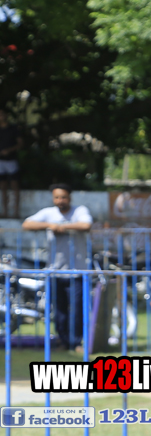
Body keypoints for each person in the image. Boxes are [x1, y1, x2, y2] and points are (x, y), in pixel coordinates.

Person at [23, 184, 93, 351]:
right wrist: (50, 225)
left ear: (70, 198)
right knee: (59, 310)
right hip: (55, 270)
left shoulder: (79, 211)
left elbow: (86, 225)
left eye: (63, 197)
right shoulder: (49, 213)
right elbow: (26, 224)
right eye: (57, 197)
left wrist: (63, 227)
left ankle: (76, 342)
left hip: (77, 271)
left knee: (77, 309)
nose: (60, 200)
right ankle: (62, 340)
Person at [0, 109, 22, 218]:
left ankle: (16, 212)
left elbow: (20, 144)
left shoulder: (13, 128)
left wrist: (9, 150)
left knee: (14, 186)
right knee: (3, 187)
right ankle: (5, 212)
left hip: (11, 160)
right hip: (0, 162)